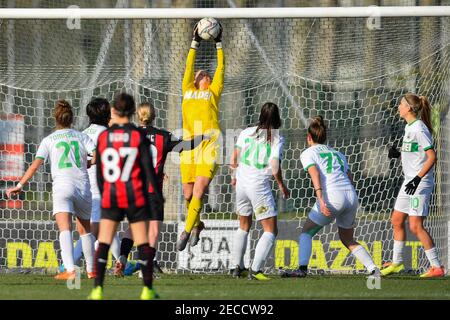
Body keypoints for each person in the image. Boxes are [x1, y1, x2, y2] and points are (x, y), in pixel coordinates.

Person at [114, 102, 208, 277]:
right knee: (153, 231)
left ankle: (122, 258)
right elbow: (184, 147)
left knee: (133, 228)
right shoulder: (163, 136)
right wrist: (202, 137)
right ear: (154, 115)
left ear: (138, 116)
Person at [6, 100, 96, 280]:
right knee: (85, 229)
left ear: (56, 119)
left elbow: (34, 166)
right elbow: (98, 154)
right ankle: (91, 270)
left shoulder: (49, 140)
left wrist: (19, 185)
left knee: (65, 229)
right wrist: (88, 163)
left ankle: (70, 270)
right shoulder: (81, 136)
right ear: (71, 119)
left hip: (62, 187)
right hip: (83, 186)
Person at [88, 93, 163, 300]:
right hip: (135, 195)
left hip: (112, 194)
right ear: (132, 112)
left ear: (115, 110)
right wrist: (156, 196)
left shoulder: (104, 137)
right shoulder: (138, 136)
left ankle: (97, 290)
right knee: (143, 243)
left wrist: (105, 193)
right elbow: (149, 169)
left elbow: (100, 171)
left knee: (103, 242)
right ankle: (147, 290)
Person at [287, 116, 380, 278]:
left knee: (306, 232)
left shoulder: (308, 153)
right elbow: (349, 177)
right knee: (348, 239)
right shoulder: (337, 153)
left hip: (333, 196)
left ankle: (302, 269)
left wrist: (321, 199)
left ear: (309, 137)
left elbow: (314, 173)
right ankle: (373, 269)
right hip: (351, 196)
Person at [381, 94, 444, 278]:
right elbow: (416, 156)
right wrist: (398, 154)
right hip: (410, 182)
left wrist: (417, 179)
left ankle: (436, 267)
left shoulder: (419, 128)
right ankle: (397, 262)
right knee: (397, 220)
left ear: (409, 108)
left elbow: (432, 157)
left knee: (416, 226)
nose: (398, 106)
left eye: (401, 104)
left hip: (419, 183)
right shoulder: (409, 127)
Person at [176, 21, 225, 251]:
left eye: (204, 73)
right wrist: (194, 42)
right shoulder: (188, 90)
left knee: (198, 190)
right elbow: (189, 66)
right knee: (188, 193)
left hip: (209, 144)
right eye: (198, 73)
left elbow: (221, 69)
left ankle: (186, 231)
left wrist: (219, 44)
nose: (201, 72)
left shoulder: (213, 92)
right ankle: (197, 225)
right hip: (188, 146)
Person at [230, 102, 289, 280]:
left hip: (241, 184)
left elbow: (234, 158)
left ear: (261, 115)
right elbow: (274, 165)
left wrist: (233, 176)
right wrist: (281, 184)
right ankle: (255, 270)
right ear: (277, 117)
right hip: (258, 186)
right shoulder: (276, 138)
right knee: (271, 230)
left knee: (244, 225)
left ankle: (235, 267)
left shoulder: (246, 132)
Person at [71, 98, 121, 268]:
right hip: (104, 188)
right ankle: (71, 263)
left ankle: (123, 262)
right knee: (93, 231)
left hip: (84, 187)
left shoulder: (83, 134)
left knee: (105, 227)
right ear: (107, 115)